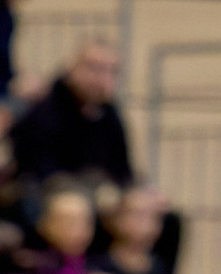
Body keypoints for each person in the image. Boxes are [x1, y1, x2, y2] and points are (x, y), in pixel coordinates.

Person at [10, 38, 135, 202]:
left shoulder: (109, 113)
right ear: (73, 67)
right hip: (49, 192)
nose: (101, 78)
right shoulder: (47, 107)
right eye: (94, 68)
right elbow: (41, 171)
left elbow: (123, 170)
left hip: (99, 190)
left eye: (110, 71)